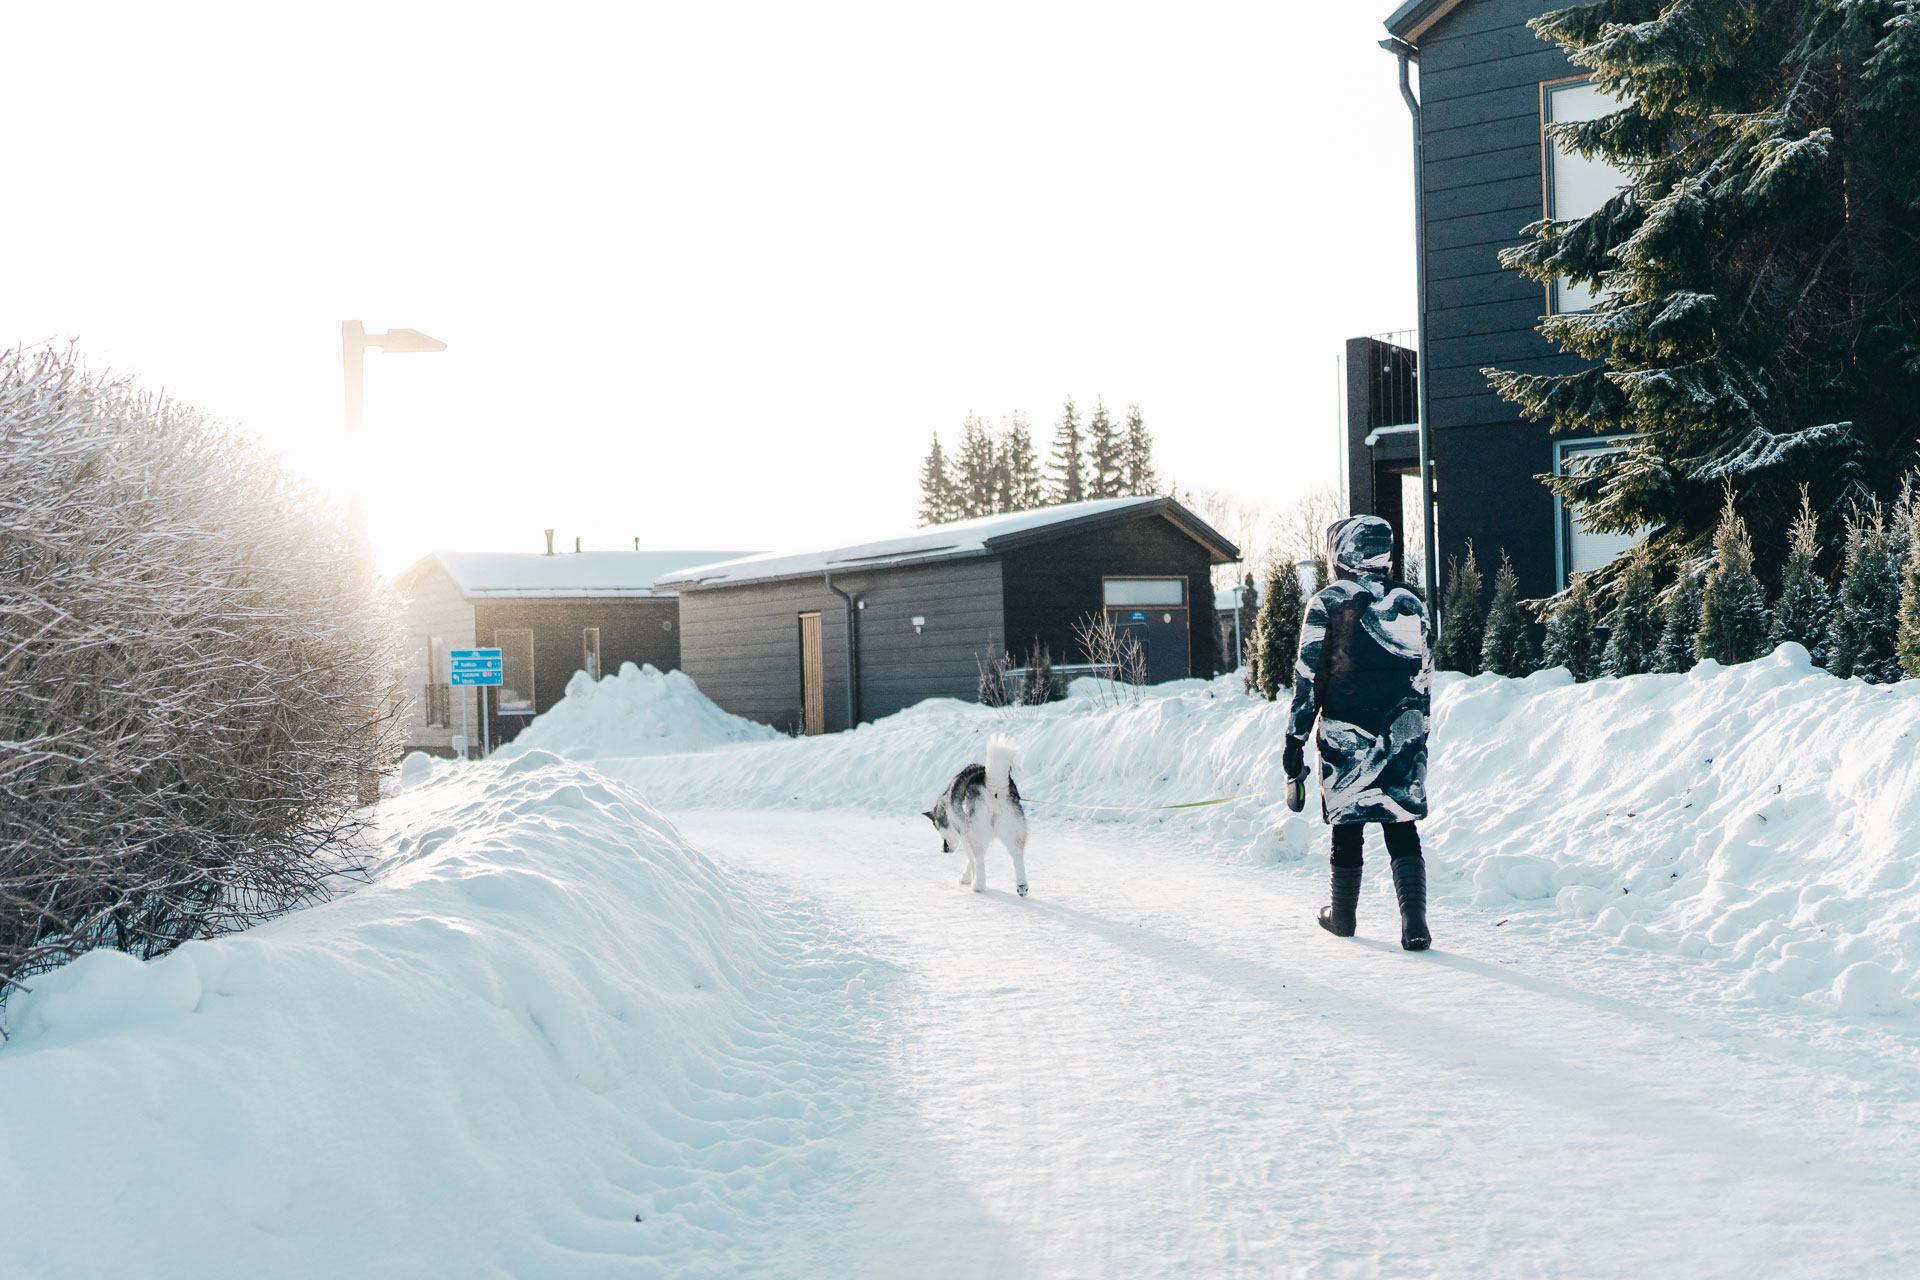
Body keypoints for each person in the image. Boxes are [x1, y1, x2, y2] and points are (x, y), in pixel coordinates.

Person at [1282, 515, 1432, 951]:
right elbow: (1424, 678)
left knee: (1347, 827)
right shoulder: (1412, 604)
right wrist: (1419, 736)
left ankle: (1343, 916)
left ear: (1343, 552)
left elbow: (1307, 681)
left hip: (1345, 738)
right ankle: (1415, 924)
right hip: (1402, 733)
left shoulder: (1328, 603)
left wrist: (1294, 744)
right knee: (1401, 826)